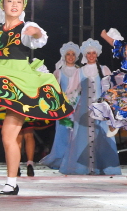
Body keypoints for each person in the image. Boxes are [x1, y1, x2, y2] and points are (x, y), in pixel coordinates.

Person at [0, 0, 73, 195]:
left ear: (23, 5)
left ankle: (11, 182)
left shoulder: (25, 27)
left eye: (18, 2)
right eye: (10, 1)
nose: (14, 5)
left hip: (20, 82)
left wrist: (36, 32)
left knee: (8, 135)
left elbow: (37, 38)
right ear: (2, 4)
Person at [58, 38, 121, 175]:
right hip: (83, 110)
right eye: (89, 53)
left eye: (93, 53)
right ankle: (84, 167)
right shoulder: (79, 71)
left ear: (97, 54)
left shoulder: (104, 69)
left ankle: (102, 167)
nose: (91, 55)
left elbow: (112, 89)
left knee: (102, 137)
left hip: (102, 110)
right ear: (85, 55)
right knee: (82, 139)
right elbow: (71, 90)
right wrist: (70, 108)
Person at [39, 42, 82, 171]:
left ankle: (75, 160)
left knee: (77, 134)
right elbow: (53, 89)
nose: (70, 56)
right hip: (63, 108)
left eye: (73, 54)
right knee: (62, 134)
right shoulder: (58, 72)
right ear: (64, 56)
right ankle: (60, 159)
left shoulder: (80, 71)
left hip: (77, 107)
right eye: (68, 54)